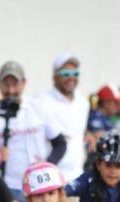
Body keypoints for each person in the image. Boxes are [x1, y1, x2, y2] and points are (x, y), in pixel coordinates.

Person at [0, 61, 65, 202]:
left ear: (24, 83)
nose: (11, 90)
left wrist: (48, 164)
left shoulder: (39, 107)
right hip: (8, 187)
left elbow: (60, 143)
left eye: (15, 84)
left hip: (41, 186)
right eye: (6, 84)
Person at [38, 54, 91, 182]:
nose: (71, 77)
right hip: (51, 177)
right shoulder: (41, 101)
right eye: (66, 73)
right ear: (55, 77)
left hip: (77, 176)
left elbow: (79, 132)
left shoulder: (83, 102)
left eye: (75, 73)